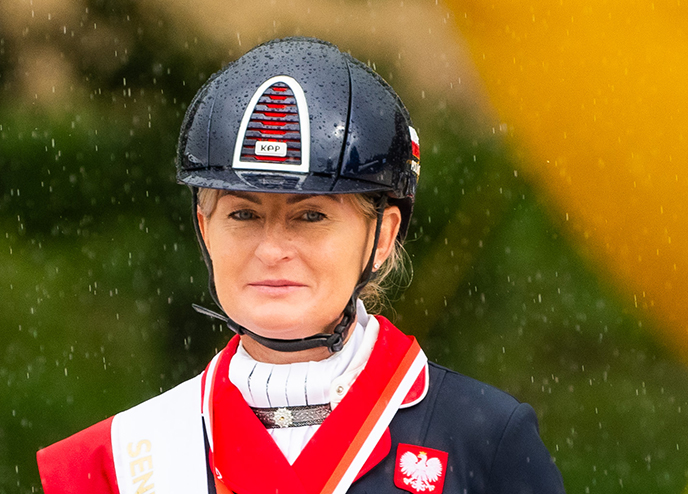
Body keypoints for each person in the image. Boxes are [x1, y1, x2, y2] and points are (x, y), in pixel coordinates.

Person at [36, 37, 565, 494]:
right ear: (204, 227)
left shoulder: (485, 441)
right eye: (243, 214)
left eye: (310, 216)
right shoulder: (110, 466)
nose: (272, 249)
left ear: (382, 236)